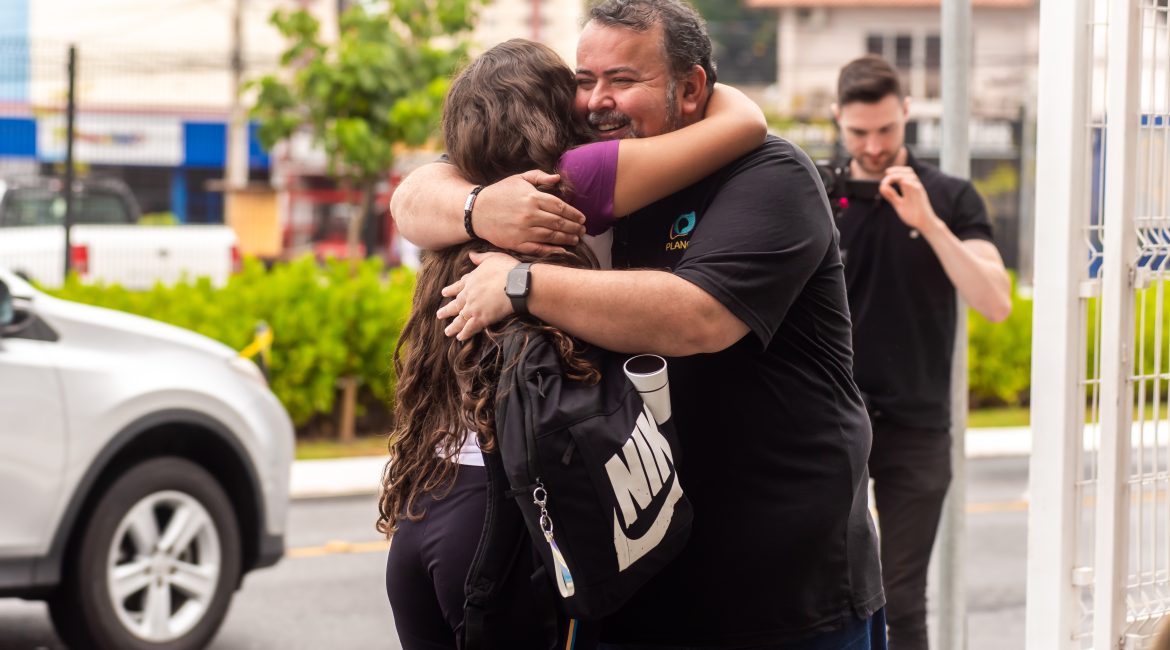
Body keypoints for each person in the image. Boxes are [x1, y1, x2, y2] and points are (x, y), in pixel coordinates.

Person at [390, 1, 888, 647]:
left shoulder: (769, 175)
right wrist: (480, 207)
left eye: (623, 80)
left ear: (690, 89)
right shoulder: (581, 177)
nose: (598, 101)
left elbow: (698, 318)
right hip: (634, 588)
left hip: (781, 596)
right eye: (584, 79)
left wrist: (521, 284)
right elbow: (418, 192)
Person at [376, 38, 767, 650]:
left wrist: (474, 203)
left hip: (425, 506)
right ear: (560, 115)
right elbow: (742, 124)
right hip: (503, 520)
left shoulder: (457, 212)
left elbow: (407, 197)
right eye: (580, 89)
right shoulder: (578, 190)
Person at [829, 55, 1012, 650]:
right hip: (833, 423)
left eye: (887, 129)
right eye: (859, 132)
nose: (875, 145)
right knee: (827, 594)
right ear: (838, 120)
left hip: (917, 426)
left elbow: (996, 301)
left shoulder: (951, 197)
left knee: (903, 601)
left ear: (907, 112)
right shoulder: (816, 191)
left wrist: (929, 223)